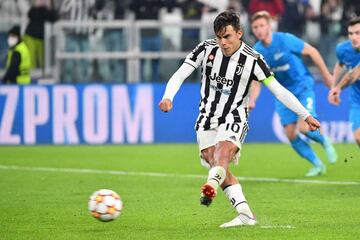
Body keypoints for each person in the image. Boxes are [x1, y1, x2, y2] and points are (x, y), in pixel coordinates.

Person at [159, 11, 321, 228]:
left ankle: (210, 186)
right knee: (212, 159)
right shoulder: (205, 49)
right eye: (219, 37)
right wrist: (168, 97)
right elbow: (180, 74)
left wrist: (305, 115)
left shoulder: (253, 60)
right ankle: (245, 213)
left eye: (227, 37)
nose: (222, 42)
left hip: (235, 115)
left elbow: (279, 91)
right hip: (206, 117)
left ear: (239, 33)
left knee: (222, 154)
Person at [249, 10, 338, 177]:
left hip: (302, 86)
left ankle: (325, 141)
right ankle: (317, 164)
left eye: (261, 25)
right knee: (290, 133)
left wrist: (326, 75)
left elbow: (312, 51)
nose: (259, 29)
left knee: (304, 127)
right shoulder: (257, 52)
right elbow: (256, 81)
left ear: (269, 26)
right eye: (255, 27)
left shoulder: (285, 39)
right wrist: (252, 100)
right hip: (282, 94)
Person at [328, 17, 360, 148]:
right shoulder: (342, 49)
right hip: (357, 99)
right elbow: (340, 63)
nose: (353, 37)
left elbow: (354, 74)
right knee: (358, 138)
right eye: (351, 33)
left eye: (358, 33)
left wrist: (338, 88)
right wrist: (333, 86)